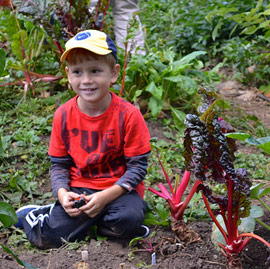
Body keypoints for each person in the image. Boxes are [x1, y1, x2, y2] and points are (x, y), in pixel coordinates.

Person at [15, 29, 151, 249]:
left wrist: (106, 197)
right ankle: (37, 214)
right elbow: (59, 165)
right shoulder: (63, 115)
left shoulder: (128, 115)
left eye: (95, 71)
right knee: (48, 238)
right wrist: (62, 193)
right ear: (68, 75)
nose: (86, 80)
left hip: (118, 190)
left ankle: (93, 221)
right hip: (80, 190)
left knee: (127, 221)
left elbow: (137, 168)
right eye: (78, 72)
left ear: (114, 73)